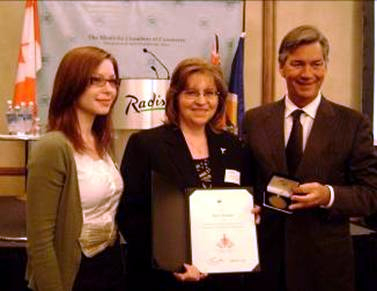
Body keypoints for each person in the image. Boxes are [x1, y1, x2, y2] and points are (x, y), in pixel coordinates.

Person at [242, 25, 377, 291]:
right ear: (282, 67)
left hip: (325, 270)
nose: (307, 74)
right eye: (297, 64)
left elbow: (371, 194)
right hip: (267, 266)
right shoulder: (255, 120)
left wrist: (328, 195)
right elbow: (249, 184)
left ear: (325, 67)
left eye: (316, 64)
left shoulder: (353, 124)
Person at [117, 58, 256, 291]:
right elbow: (129, 216)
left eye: (210, 93)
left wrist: (252, 214)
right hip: (164, 279)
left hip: (222, 278)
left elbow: (247, 198)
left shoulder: (233, 146)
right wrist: (173, 264)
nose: (202, 101)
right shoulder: (146, 144)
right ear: (176, 97)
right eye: (191, 93)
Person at [26, 46, 125, 291]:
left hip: (108, 265)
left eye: (113, 81)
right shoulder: (53, 147)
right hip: (73, 273)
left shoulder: (101, 140)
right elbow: (40, 242)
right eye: (96, 81)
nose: (108, 90)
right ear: (73, 84)